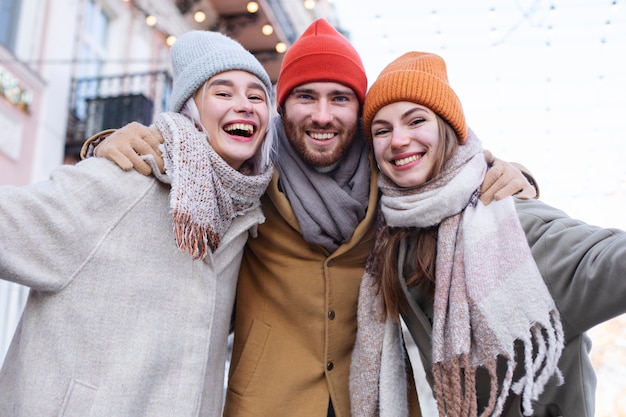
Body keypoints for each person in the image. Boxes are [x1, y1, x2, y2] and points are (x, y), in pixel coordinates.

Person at [83, 19, 537, 417]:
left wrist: (515, 173)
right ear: (282, 105)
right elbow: (185, 151)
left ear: (360, 111)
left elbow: (453, 167)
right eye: (305, 97)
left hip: (377, 400)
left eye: (340, 98)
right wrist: (111, 140)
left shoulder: (394, 171)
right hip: (266, 399)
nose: (322, 115)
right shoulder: (250, 164)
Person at [0, 30, 275, 417]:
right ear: (191, 110)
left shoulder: (246, 222)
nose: (244, 105)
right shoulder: (125, 182)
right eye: (223, 93)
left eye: (257, 96)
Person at [349, 51, 626, 417]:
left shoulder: (509, 226)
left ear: (449, 130)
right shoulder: (393, 235)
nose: (398, 140)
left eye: (415, 120)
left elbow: (609, 262)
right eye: (382, 130)